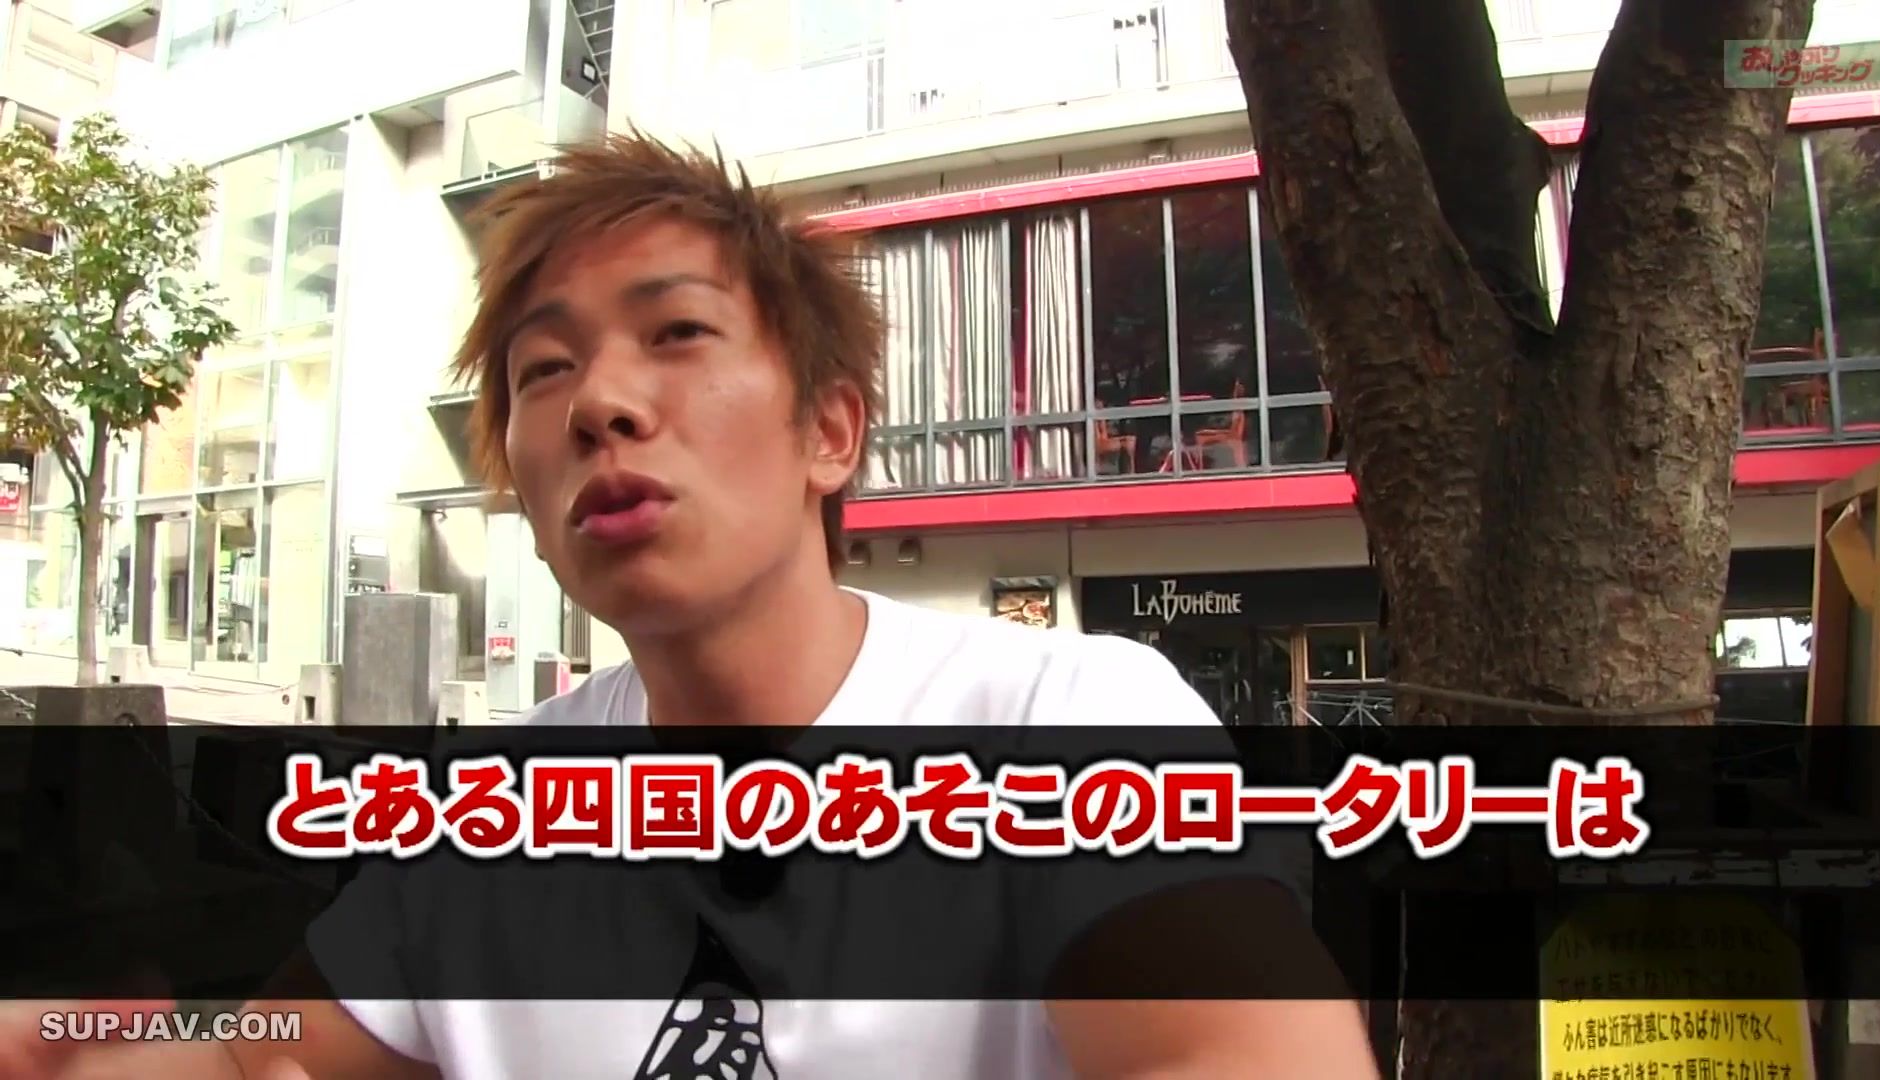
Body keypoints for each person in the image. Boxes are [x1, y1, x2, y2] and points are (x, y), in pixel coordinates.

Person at [0, 132, 1377, 1079]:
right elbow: (270, 1056)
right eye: (543, 372)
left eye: (678, 334)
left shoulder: (1066, 721)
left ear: (828, 430)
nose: (599, 401)